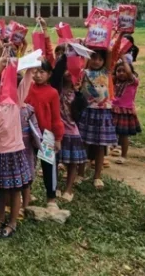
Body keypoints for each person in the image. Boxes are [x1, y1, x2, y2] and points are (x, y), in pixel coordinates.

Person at [0, 49, 33, 239]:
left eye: (6, 82)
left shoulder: (15, 101)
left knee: (15, 190)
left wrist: (28, 64)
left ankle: (12, 222)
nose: (2, 86)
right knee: (1, 189)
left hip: (14, 152)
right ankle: (0, 218)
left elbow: (27, 80)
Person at [78, 35, 123, 189]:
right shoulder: (83, 72)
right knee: (84, 144)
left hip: (103, 113)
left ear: (104, 61)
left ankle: (97, 176)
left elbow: (110, 52)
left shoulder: (107, 71)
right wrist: (86, 44)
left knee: (99, 146)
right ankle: (80, 173)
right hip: (87, 112)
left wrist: (111, 36)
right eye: (93, 58)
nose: (96, 61)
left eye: (100, 59)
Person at [26, 60, 63, 209]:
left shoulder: (53, 93)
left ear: (49, 74)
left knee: (48, 166)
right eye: (35, 71)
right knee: (28, 165)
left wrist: (58, 138)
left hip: (46, 135)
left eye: (42, 72)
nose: (38, 75)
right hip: (28, 134)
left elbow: (56, 117)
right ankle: (27, 194)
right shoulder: (27, 88)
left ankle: (51, 198)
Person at [51, 54, 87, 202]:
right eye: (66, 69)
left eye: (71, 70)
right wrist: (67, 56)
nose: (68, 73)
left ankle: (69, 189)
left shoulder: (78, 95)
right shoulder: (56, 90)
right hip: (56, 132)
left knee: (72, 162)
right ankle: (55, 187)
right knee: (54, 160)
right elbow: (57, 72)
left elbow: (79, 115)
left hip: (72, 131)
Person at [111, 58, 141, 164]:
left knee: (124, 135)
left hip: (125, 111)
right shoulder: (115, 82)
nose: (121, 73)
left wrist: (123, 58)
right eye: (119, 71)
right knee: (110, 131)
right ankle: (114, 146)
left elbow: (128, 72)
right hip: (113, 109)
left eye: (124, 71)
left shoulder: (132, 82)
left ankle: (123, 156)